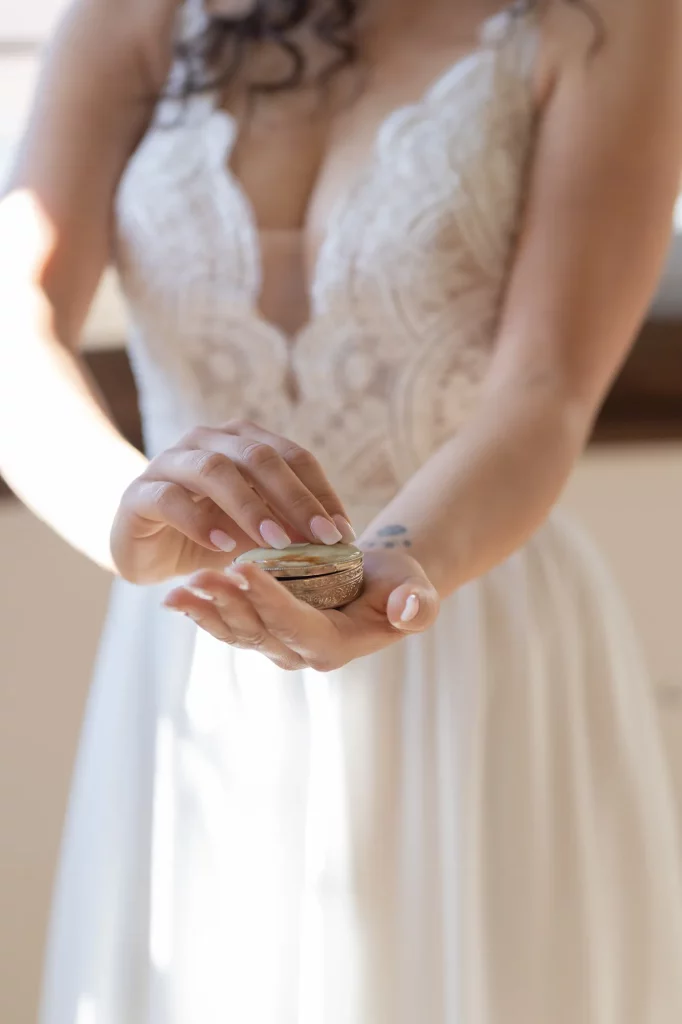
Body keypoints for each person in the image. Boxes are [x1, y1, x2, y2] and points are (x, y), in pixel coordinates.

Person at [1, 0, 682, 1021]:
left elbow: (544, 387)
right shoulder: (139, 12)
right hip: (190, 645)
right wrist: (126, 510)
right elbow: (14, 321)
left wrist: (394, 565)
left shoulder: (606, 17)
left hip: (462, 623)